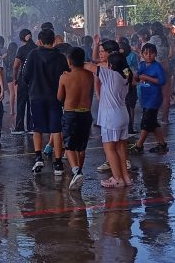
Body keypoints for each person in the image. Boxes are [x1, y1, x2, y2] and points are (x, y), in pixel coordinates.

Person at [24, 28, 68, 174]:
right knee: (56, 129)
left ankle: (38, 158)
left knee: (37, 128)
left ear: (40, 41)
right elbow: (66, 75)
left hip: (36, 96)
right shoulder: (60, 57)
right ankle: (58, 163)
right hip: (55, 97)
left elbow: (26, 75)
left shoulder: (33, 54)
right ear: (54, 40)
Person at [91, 40, 131, 188]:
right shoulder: (126, 74)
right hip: (122, 114)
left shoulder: (108, 73)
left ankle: (117, 178)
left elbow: (90, 65)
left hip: (111, 117)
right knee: (120, 147)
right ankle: (125, 178)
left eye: (103, 52)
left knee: (110, 149)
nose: (101, 55)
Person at [57, 47, 94, 190]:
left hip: (71, 113)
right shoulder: (89, 75)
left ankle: (76, 171)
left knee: (69, 145)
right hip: (86, 113)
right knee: (81, 146)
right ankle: (79, 172)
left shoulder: (65, 77)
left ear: (70, 61)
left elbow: (59, 97)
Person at [129, 43, 168, 155]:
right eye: (146, 53)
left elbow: (162, 81)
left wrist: (147, 78)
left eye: (151, 53)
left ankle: (139, 145)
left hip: (154, 98)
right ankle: (162, 144)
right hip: (145, 98)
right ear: (142, 54)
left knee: (145, 122)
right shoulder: (142, 65)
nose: (149, 55)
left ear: (155, 54)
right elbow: (136, 76)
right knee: (153, 122)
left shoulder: (157, 67)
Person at [11, 29, 34, 134]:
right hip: (34, 80)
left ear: (21, 38)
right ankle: (31, 127)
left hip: (23, 80)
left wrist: (15, 78)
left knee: (21, 103)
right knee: (31, 103)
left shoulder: (21, 50)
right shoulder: (37, 48)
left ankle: (19, 127)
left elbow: (16, 66)